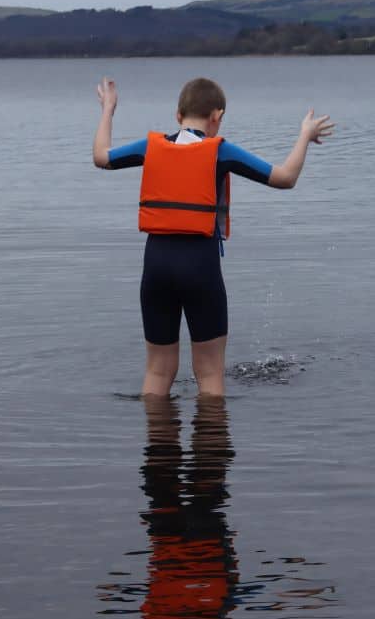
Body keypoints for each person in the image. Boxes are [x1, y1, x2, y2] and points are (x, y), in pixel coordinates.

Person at [93, 76, 333, 397]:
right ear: (216, 116)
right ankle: (212, 446)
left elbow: (101, 157)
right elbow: (285, 178)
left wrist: (108, 109)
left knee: (158, 370)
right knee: (209, 373)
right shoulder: (220, 152)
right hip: (199, 266)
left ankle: (157, 443)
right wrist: (304, 136)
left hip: (156, 266)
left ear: (178, 115)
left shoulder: (151, 146)